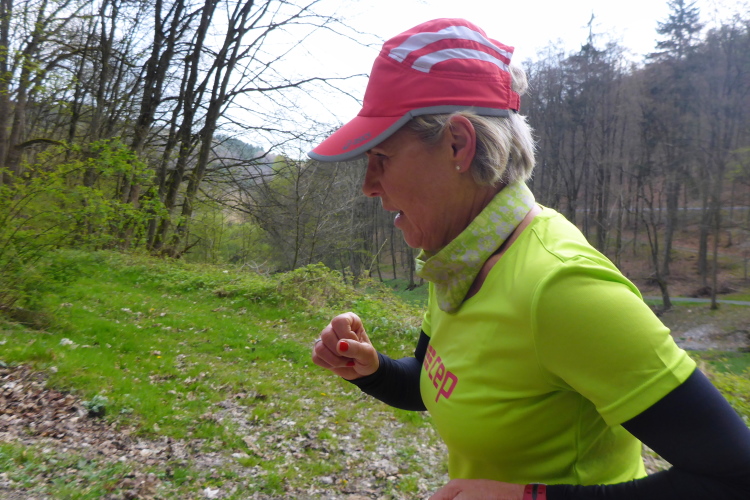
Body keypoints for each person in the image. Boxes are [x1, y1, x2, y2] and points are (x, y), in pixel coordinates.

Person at [309, 18, 750, 500]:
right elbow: (435, 384)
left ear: (459, 144)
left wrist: (530, 498)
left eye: (382, 158)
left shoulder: (563, 288)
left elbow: (734, 478)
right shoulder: (459, 259)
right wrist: (372, 369)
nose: (368, 186)